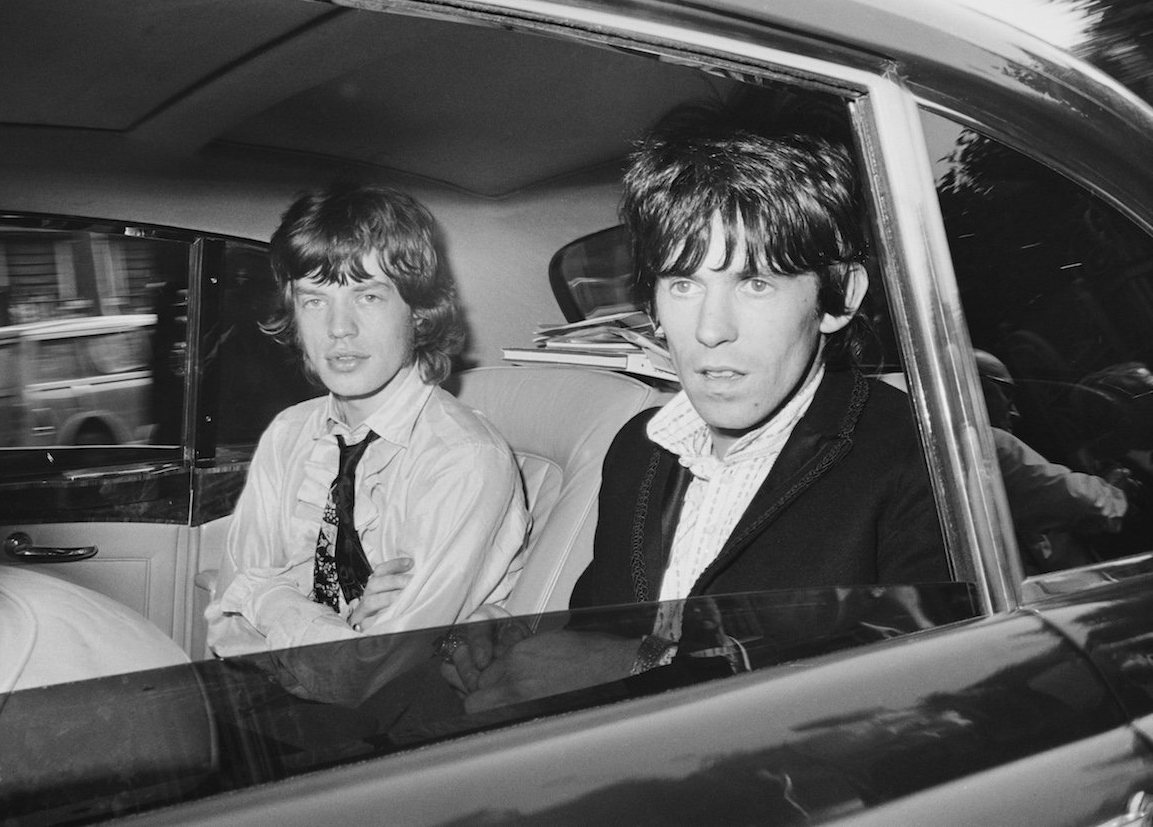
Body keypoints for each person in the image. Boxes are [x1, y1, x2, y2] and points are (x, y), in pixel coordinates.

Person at [445, 105, 950, 709]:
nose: (710, 330)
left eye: (756, 283)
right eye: (683, 283)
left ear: (840, 297)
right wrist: (513, 640)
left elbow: (927, 690)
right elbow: (599, 634)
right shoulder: (639, 447)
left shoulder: (917, 458)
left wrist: (642, 665)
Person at [205, 183, 529, 656]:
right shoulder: (288, 434)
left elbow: (375, 668)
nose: (339, 329)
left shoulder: (463, 460)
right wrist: (343, 622)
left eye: (368, 297)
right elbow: (225, 631)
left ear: (419, 311)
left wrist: (267, 599)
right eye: (315, 300)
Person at [975, 350, 1127, 571]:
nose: (1015, 413)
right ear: (974, 389)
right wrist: (1112, 489)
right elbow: (1083, 502)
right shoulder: (985, 444)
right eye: (1006, 394)